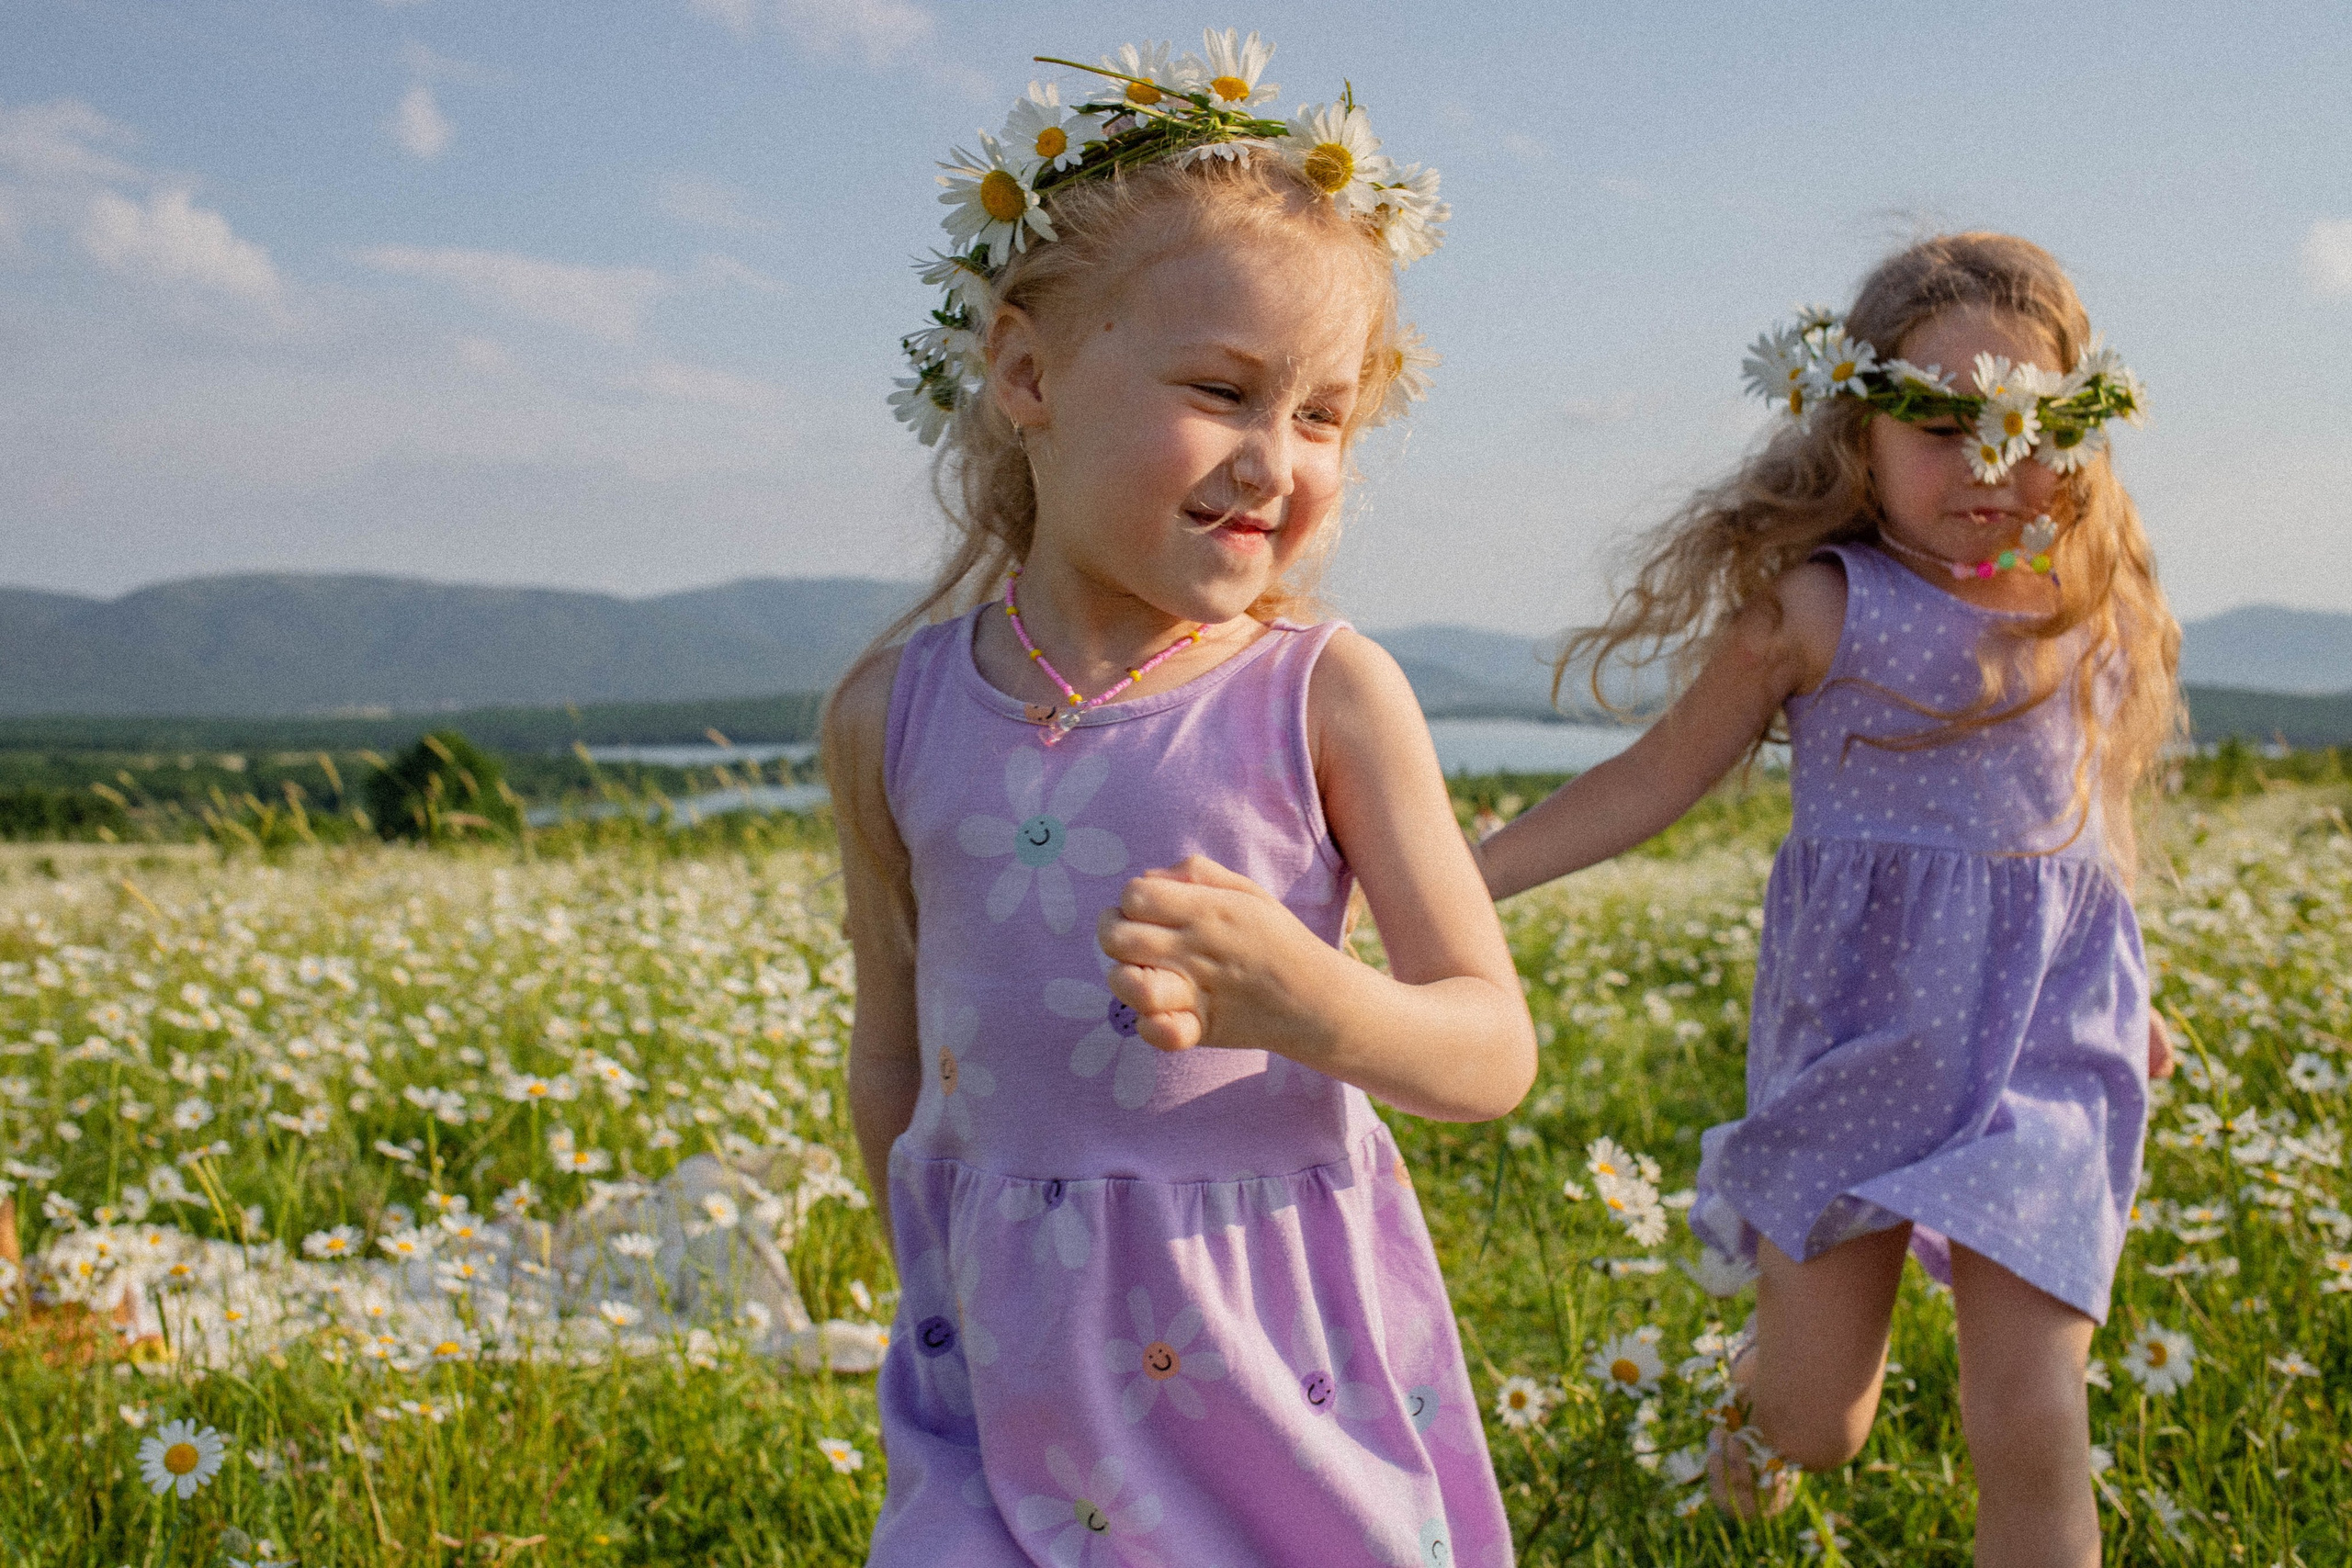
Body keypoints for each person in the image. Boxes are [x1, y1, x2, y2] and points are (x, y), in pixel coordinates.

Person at [825, 34, 1533, 1568]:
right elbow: (894, 1056)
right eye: (1223, 391)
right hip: (999, 1386)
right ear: (1025, 372)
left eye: (1326, 415)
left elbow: (1489, 1048)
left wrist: (1310, 1000)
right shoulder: (895, 714)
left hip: (1270, 1371)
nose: (1276, 462)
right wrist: (942, 1278)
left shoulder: (1325, 694)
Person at [1476, 233, 2178, 1566]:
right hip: (1867, 1043)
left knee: (2032, 1416)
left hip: (2051, 1058)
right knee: (1818, 1425)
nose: (1991, 463)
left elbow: (2099, 826)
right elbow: (1653, 778)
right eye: (1941, 425)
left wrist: (2145, 997)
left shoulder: (2094, 609)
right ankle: (1753, 1404)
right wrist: (1455, 879)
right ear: (1858, 431)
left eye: (2031, 427)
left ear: (2087, 432)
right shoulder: (1819, 608)